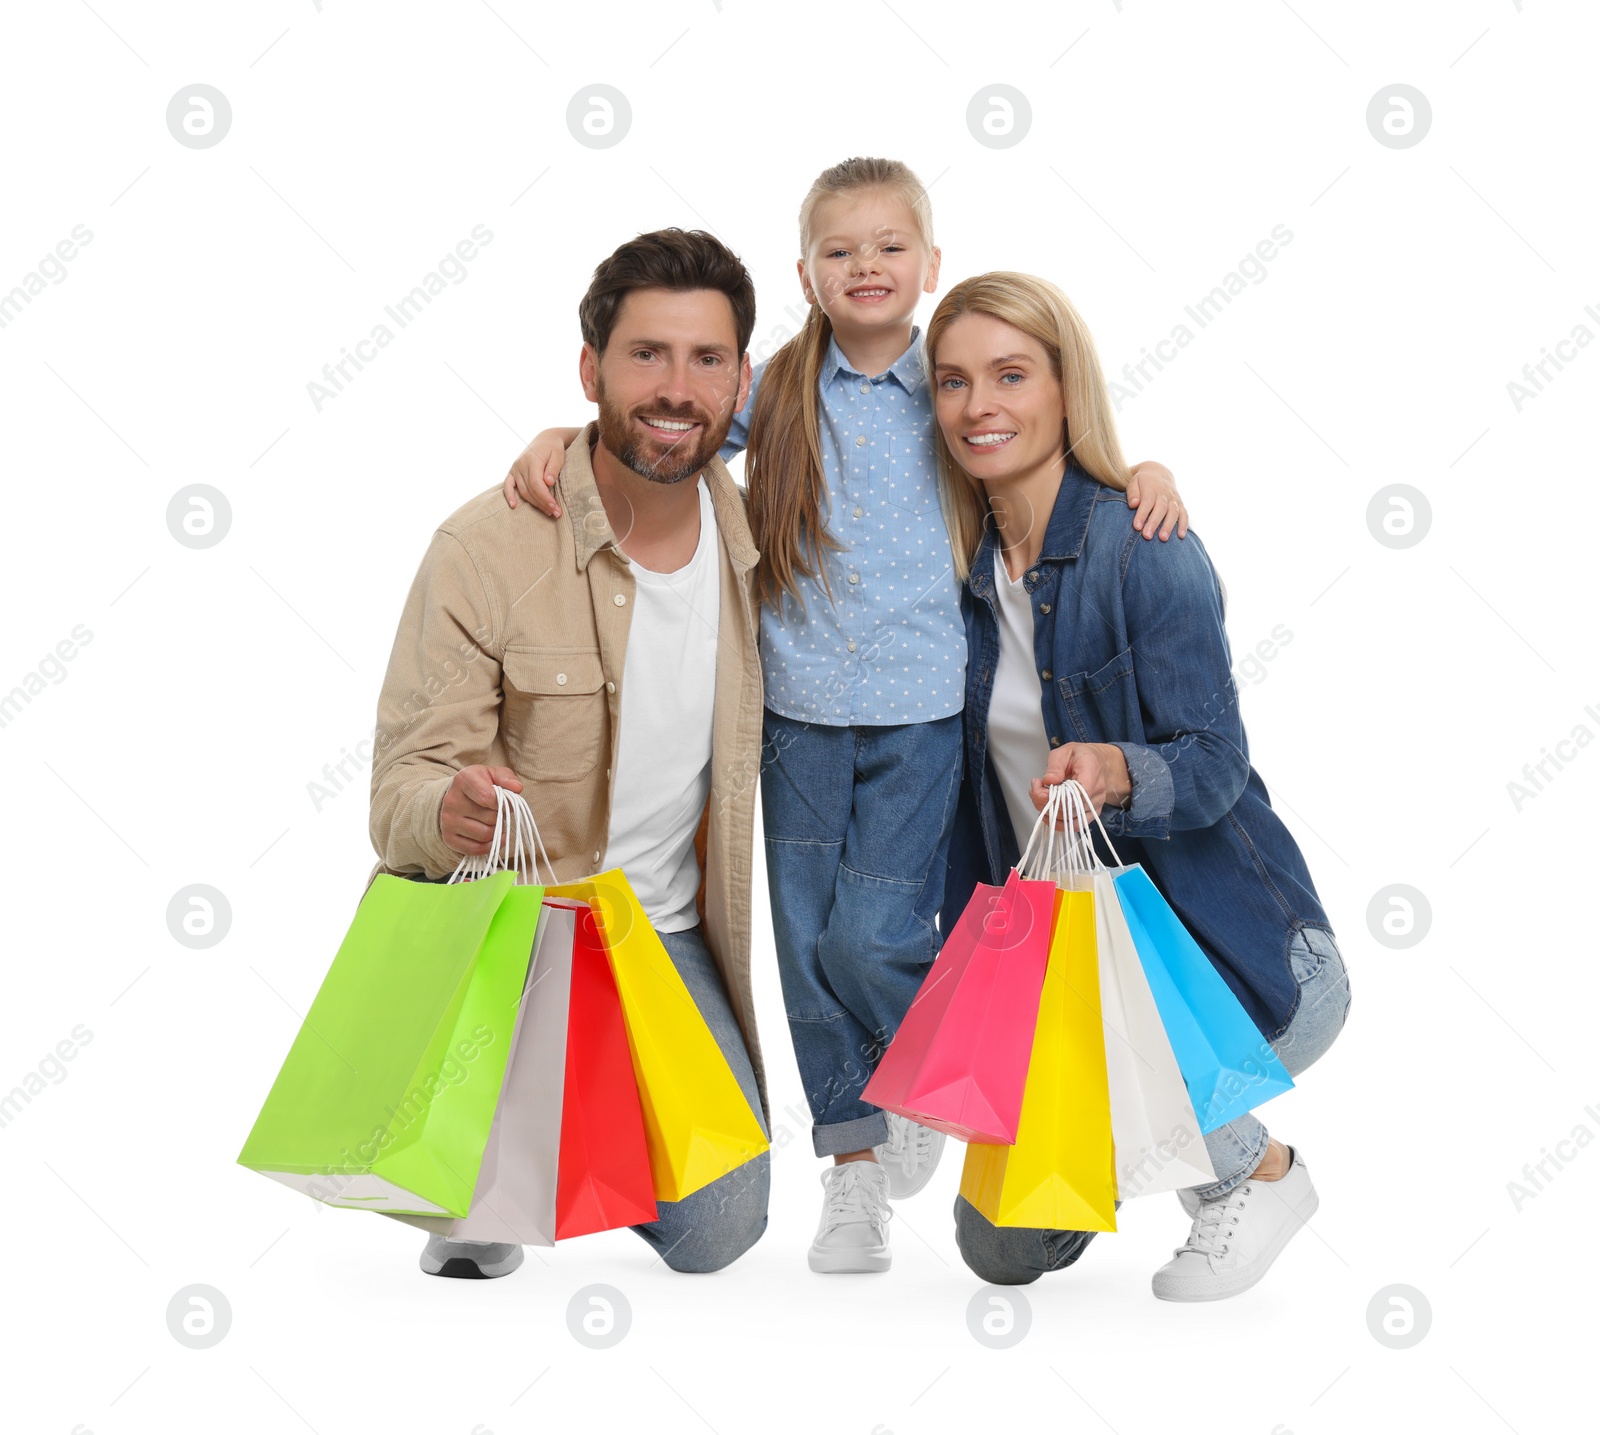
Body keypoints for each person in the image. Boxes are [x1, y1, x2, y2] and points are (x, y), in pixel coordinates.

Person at [500, 158, 1188, 1273]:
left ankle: (925, 1079)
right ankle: (853, 1166)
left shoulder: (952, 388)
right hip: (795, 716)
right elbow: (663, 438)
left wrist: (1142, 465)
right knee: (810, 950)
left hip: (922, 716)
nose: (865, 266)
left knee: (875, 933)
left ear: (929, 264)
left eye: (888, 246)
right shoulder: (775, 387)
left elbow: (1050, 445)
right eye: (839, 250)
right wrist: (558, 443)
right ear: (806, 274)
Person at [928, 271, 1352, 1301]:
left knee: (1118, 1065)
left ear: (1066, 388)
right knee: (998, 1247)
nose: (979, 405)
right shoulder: (956, 573)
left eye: (1011, 374)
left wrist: (1119, 770)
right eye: (950, 382)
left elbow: (1212, 761)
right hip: (1072, 967)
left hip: (1236, 965)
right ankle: (1130, 1153)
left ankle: (1257, 1169)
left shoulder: (1143, 548)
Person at [367, 227, 771, 1279]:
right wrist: (442, 808)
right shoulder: (485, 545)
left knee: (722, 1226)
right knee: (477, 1219)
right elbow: (400, 784)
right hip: (519, 930)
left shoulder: (761, 542)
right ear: (590, 370)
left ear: (740, 382)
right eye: (645, 355)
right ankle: (494, 1140)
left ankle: (531, 1143)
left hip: (662, 932)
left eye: (706, 359)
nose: (675, 388)